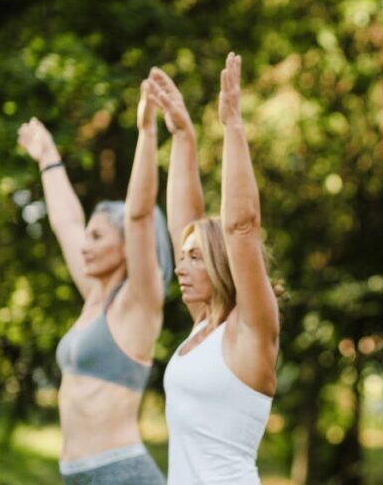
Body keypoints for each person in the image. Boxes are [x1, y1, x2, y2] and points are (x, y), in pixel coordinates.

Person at [16, 80, 172, 484]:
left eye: (98, 236)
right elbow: (66, 222)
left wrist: (148, 133)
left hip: (120, 474)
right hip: (78, 475)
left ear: (128, 250)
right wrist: (48, 158)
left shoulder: (138, 304)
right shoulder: (94, 298)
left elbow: (138, 217)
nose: (84, 244)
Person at [149, 53, 280, 484]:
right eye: (181, 258)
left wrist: (232, 127)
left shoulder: (250, 330)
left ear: (222, 266)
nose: (181, 267)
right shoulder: (202, 328)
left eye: (195, 258)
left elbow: (241, 228)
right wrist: (183, 137)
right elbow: (184, 225)